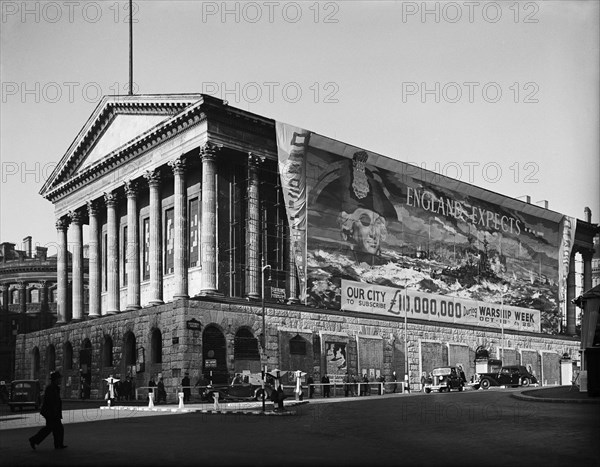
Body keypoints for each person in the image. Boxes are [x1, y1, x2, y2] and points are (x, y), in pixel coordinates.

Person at [29, 371, 67, 450]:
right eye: (59, 378)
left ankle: (58, 444)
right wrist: (54, 413)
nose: (60, 380)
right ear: (55, 379)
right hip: (50, 413)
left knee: (54, 428)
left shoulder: (55, 387)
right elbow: (51, 401)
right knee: (54, 428)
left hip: (52, 412)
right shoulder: (51, 388)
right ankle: (34, 440)